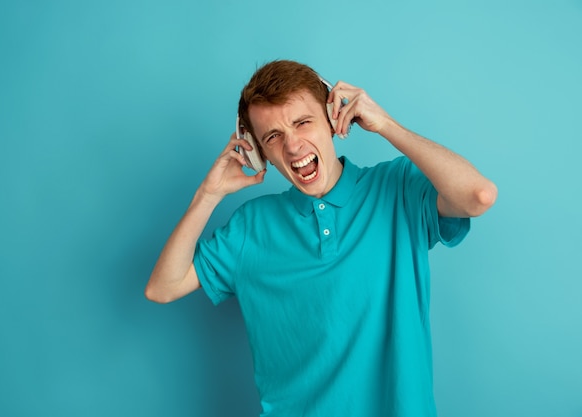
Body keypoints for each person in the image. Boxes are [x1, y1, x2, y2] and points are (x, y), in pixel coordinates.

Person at [145, 60, 497, 417]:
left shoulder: (398, 188)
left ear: (334, 117)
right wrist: (208, 194)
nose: (293, 146)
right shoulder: (251, 227)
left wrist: (386, 125)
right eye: (273, 136)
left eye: (302, 122)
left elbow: (478, 195)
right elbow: (163, 287)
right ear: (258, 152)